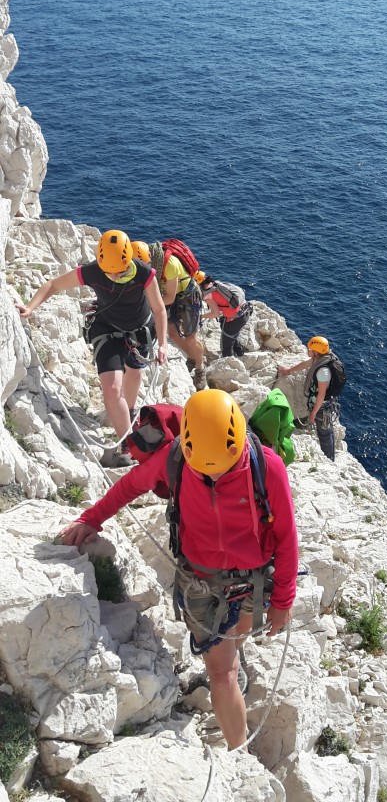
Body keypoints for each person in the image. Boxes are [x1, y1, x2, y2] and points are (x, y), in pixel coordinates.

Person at [59, 388, 298, 751]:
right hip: (202, 583)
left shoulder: (267, 467)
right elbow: (129, 485)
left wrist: (283, 599)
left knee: (240, 634)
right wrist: (91, 519)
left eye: (223, 470)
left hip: (253, 580)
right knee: (223, 672)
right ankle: (241, 754)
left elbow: (286, 536)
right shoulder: (177, 461)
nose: (214, 478)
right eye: (206, 472)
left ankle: (233, 653)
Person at [16, 229, 167, 452]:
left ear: (129, 261)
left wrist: (163, 344)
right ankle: (127, 443)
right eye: (110, 272)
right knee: (112, 389)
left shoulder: (144, 273)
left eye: (120, 271)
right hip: (107, 329)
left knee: (134, 373)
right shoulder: (93, 271)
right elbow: (54, 285)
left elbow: (159, 309)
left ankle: (130, 410)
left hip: (140, 331)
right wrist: (30, 308)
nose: (115, 276)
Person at [132, 241, 206, 391]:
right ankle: (192, 356)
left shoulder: (169, 264)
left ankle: (200, 367)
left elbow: (170, 298)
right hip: (168, 295)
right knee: (172, 334)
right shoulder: (148, 260)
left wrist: (149, 304)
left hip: (187, 296)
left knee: (190, 338)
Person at [278, 335, 345, 461]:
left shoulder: (323, 371)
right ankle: (329, 456)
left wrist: (313, 413)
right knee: (327, 430)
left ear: (315, 352)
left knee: (324, 433)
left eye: (310, 349)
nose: (308, 350)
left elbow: (321, 394)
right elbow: (305, 364)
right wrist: (288, 371)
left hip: (323, 406)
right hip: (324, 403)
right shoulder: (322, 359)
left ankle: (329, 459)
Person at [194, 271, 251, 359]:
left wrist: (200, 317)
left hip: (235, 319)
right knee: (230, 333)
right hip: (245, 310)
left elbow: (215, 313)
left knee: (226, 346)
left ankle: (229, 365)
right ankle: (240, 353)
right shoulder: (216, 284)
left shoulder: (208, 295)